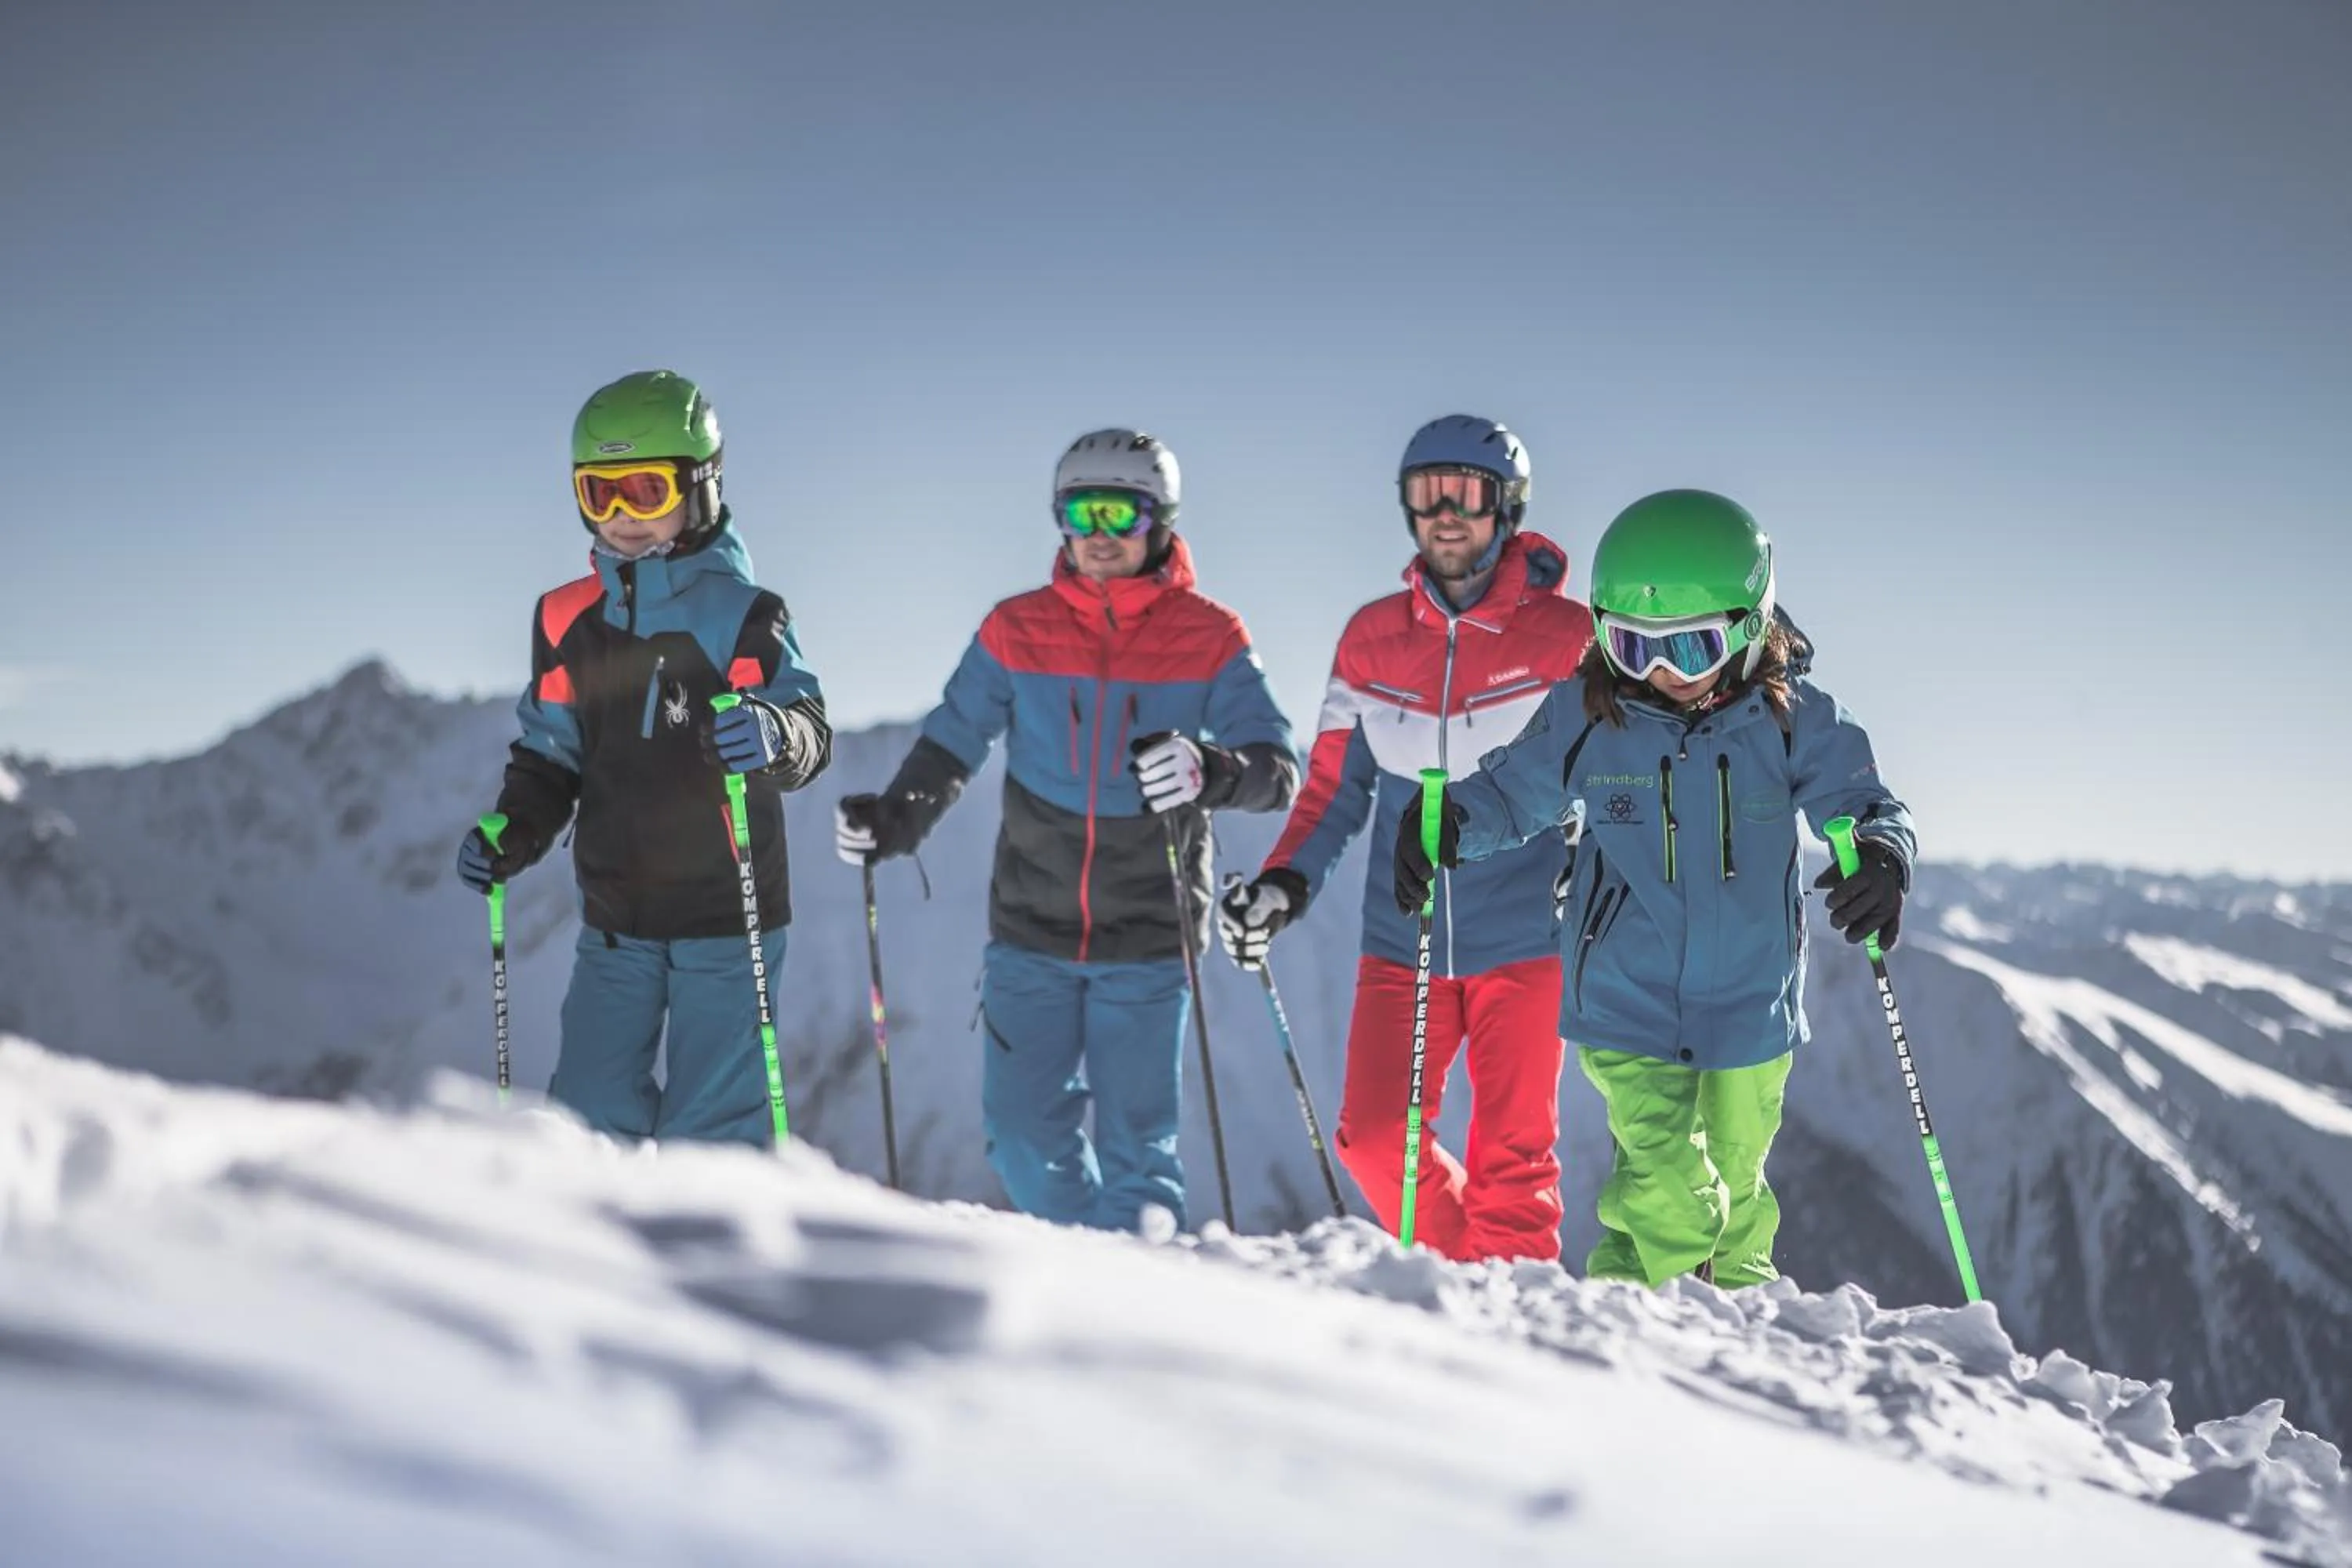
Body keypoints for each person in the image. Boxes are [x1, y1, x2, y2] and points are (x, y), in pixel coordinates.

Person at [1394, 488, 1915, 1286]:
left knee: (1735, 1196)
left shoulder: (1794, 720)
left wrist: (1879, 856)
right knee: (1670, 1188)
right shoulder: (1589, 715)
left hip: (1751, 1002)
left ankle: (1686, 1324)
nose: (1661, 673)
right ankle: (1684, 1326)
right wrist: (1449, 821)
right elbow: (1512, 790)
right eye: (1632, 648)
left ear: (1750, 627)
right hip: (1626, 997)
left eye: (1692, 648)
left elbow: (1864, 801)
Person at [835, 429, 1296, 1234]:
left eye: (1121, 512)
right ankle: (1096, 1266)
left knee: (1138, 1153)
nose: (1099, 533)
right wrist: (897, 818)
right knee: (1022, 1143)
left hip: (1150, 935)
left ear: (1160, 520)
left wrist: (1213, 771)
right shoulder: (1017, 628)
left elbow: (1276, 768)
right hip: (1032, 927)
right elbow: (954, 739)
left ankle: (1137, 1286)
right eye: (1082, 512)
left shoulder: (1211, 634)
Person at [1218, 416, 1593, 1261]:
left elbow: (1615, 770)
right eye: (1428, 495)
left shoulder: (1569, 637)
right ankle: (1472, 1287)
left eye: (1468, 494)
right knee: (1375, 1140)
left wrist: (1596, 858)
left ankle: (1514, 1318)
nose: (1446, 514)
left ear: (1508, 506)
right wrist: (1282, 885)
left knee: (1514, 1166)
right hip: (1401, 935)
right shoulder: (1371, 638)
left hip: (1527, 938)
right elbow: (1332, 789)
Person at [456, 369, 830, 1146]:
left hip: (729, 920)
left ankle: (716, 1227)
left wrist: (774, 733)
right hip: (616, 921)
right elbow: (550, 749)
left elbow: (808, 728)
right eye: (600, 494)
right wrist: (517, 828)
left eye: (646, 489)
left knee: (712, 1133)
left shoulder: (744, 614)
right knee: (586, 1115)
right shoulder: (565, 619)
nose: (622, 515)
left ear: (701, 486)